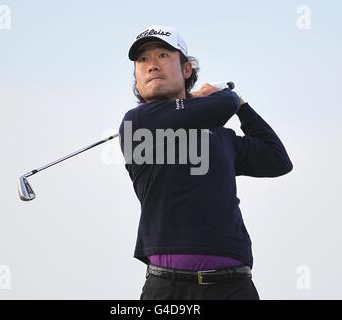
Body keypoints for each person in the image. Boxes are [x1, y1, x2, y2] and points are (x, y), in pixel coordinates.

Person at [118, 25, 293, 300]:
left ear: (186, 70)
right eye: (142, 60)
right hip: (168, 289)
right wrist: (231, 97)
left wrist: (244, 106)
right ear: (137, 79)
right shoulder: (138, 123)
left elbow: (277, 159)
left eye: (163, 55)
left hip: (234, 286)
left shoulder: (221, 136)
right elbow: (223, 106)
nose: (152, 65)